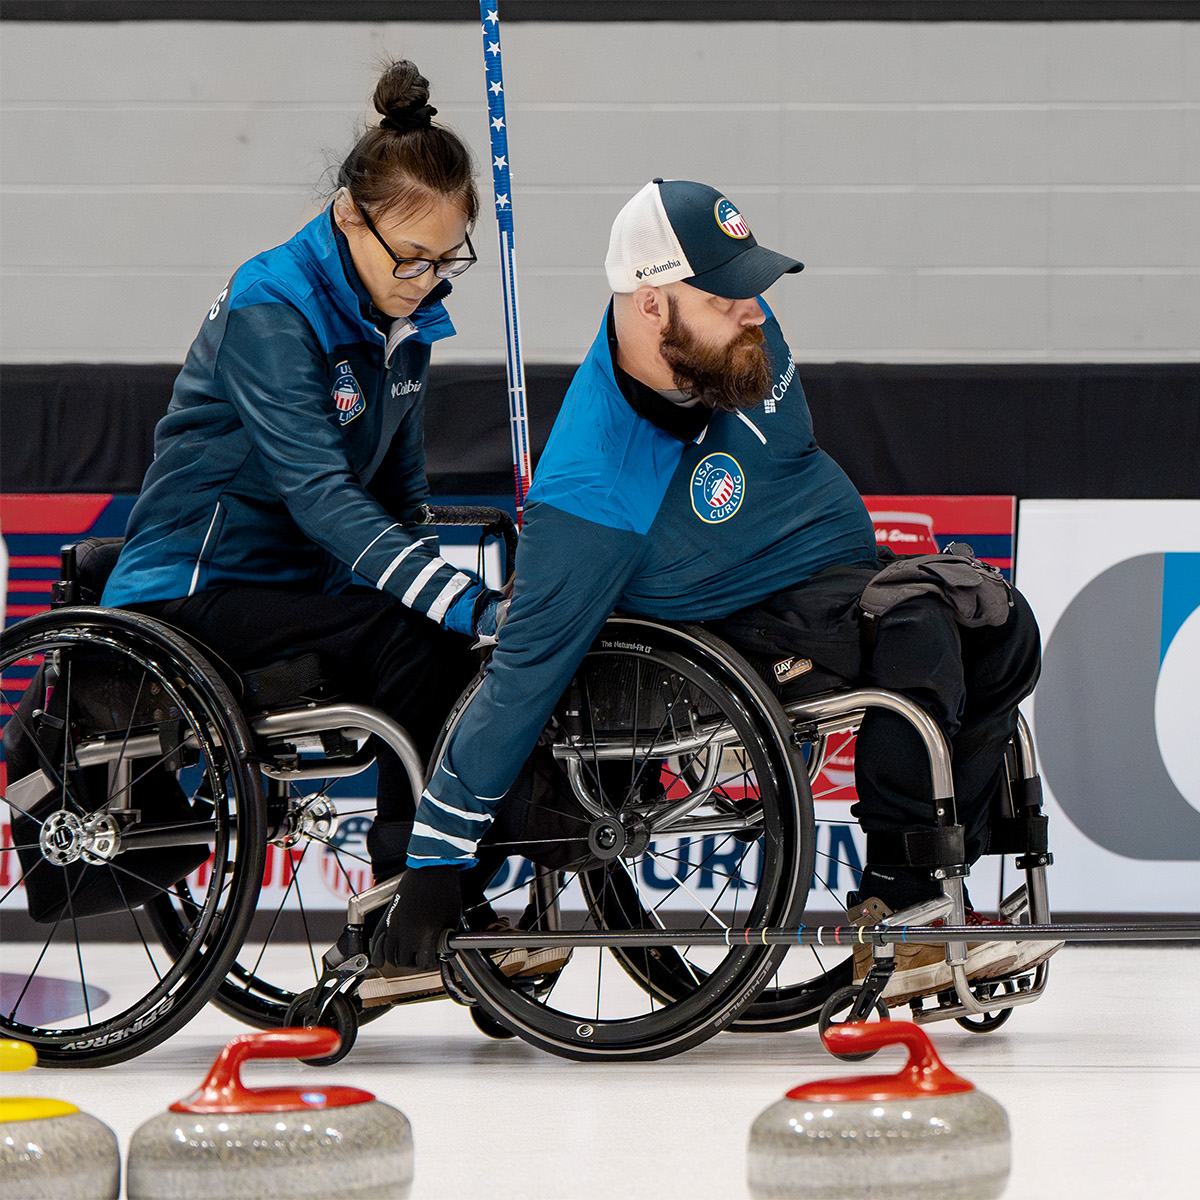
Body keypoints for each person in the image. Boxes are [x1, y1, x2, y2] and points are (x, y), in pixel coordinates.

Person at [371, 178, 1051, 1004]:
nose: (755, 310)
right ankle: (904, 905)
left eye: (755, 287)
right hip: (733, 627)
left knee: (999, 622)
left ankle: (948, 882)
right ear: (652, 305)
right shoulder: (593, 482)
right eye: (727, 293)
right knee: (919, 625)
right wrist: (434, 864)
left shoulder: (731, 346)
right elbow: (517, 682)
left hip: (830, 581)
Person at [100, 61, 498, 882]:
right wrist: (456, 599)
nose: (427, 283)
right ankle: (408, 896)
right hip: (197, 585)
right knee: (418, 635)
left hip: (297, 586)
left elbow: (398, 497)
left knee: (452, 654)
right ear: (350, 217)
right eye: (412, 258)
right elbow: (322, 497)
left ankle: (433, 887)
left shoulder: (404, 319)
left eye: (447, 262)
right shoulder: (272, 309)